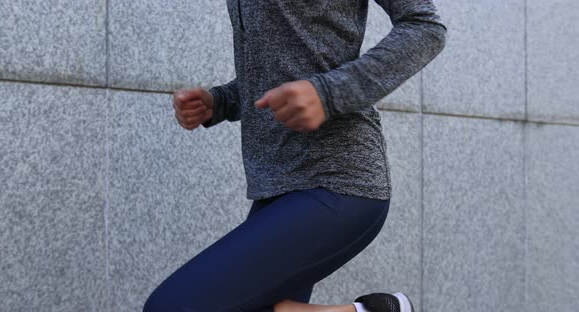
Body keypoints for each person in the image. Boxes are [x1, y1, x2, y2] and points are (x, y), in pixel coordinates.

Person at [148, 0, 447, 311]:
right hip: (275, 186)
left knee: (172, 306)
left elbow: (425, 26)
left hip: (337, 181)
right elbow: (282, 65)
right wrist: (220, 101)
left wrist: (327, 93)